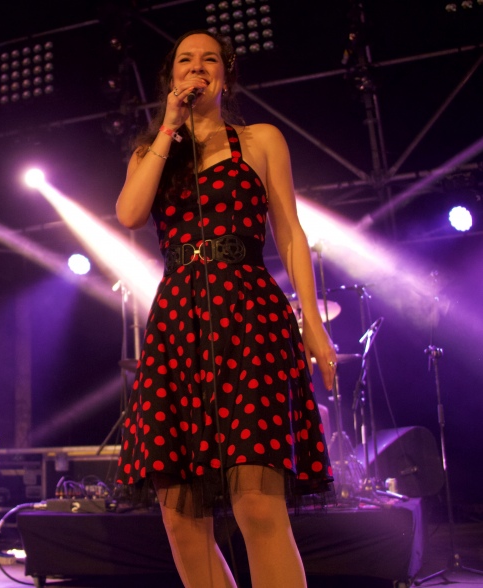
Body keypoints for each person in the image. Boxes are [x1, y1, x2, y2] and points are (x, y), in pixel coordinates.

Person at [115, 31, 337, 588]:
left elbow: (289, 232)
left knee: (257, 505)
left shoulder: (260, 139)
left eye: (208, 59)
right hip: (178, 322)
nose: (196, 69)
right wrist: (169, 124)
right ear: (172, 80)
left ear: (225, 75)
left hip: (250, 314)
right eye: (185, 62)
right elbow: (130, 214)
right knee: (181, 515)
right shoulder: (152, 151)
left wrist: (312, 323)